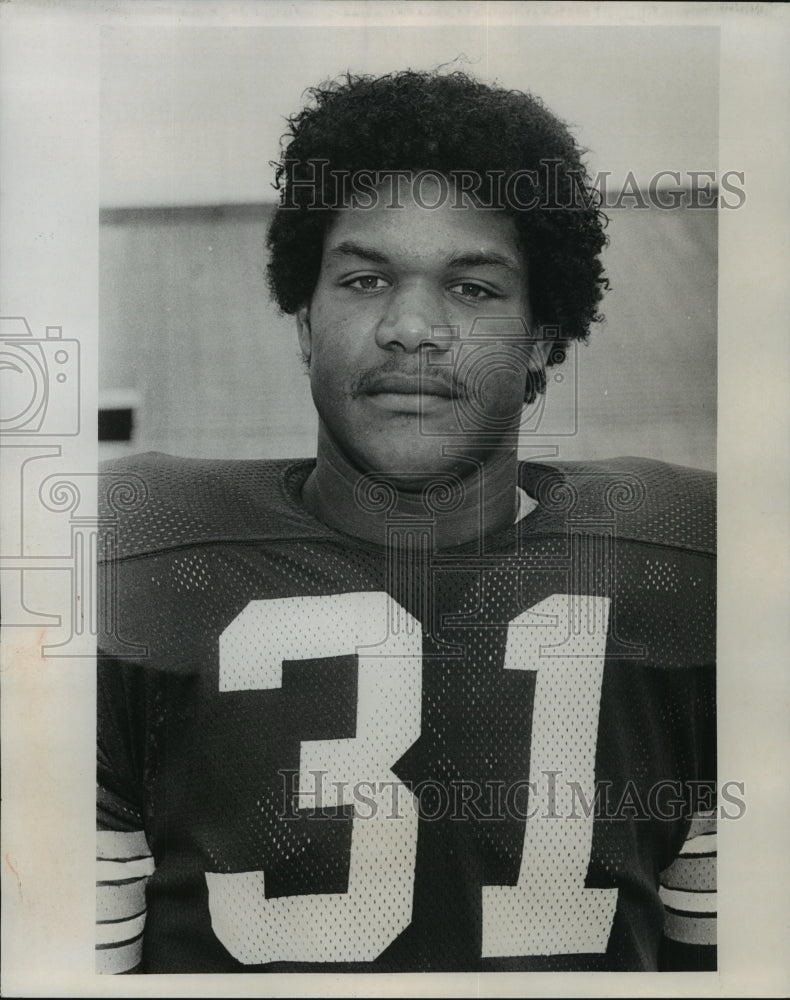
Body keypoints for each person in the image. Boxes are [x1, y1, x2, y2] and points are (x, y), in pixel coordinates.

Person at [96, 70, 716, 974]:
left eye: (472, 289)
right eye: (365, 277)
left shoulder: (689, 570)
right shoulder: (134, 560)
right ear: (304, 318)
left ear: (545, 334)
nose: (412, 327)